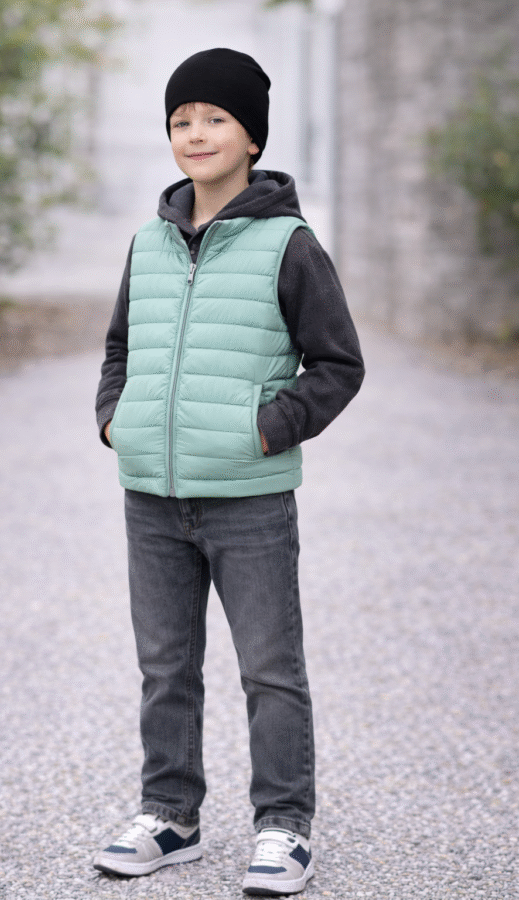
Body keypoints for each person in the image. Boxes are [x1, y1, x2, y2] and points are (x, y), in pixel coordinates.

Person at [93, 47, 364, 896]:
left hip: (249, 499)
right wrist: (115, 421)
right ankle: (169, 815)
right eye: (181, 120)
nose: (196, 132)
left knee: (270, 670)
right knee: (164, 669)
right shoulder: (148, 241)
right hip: (152, 498)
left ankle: (284, 827)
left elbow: (338, 364)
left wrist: (267, 429)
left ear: (252, 137)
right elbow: (119, 348)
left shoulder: (290, 243)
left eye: (215, 117)